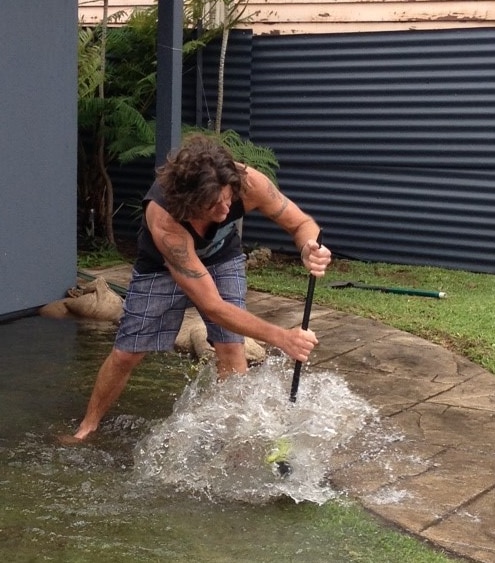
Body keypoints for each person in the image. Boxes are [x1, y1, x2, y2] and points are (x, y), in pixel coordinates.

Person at [70, 133, 332, 442]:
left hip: (222, 257)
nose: (224, 210)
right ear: (189, 202)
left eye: (227, 199)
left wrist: (308, 248)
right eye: (212, 205)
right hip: (161, 266)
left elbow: (302, 224)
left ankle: (233, 441)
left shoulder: (247, 183)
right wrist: (282, 337)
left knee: (232, 348)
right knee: (128, 353)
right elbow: (211, 306)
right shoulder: (165, 218)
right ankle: (87, 426)